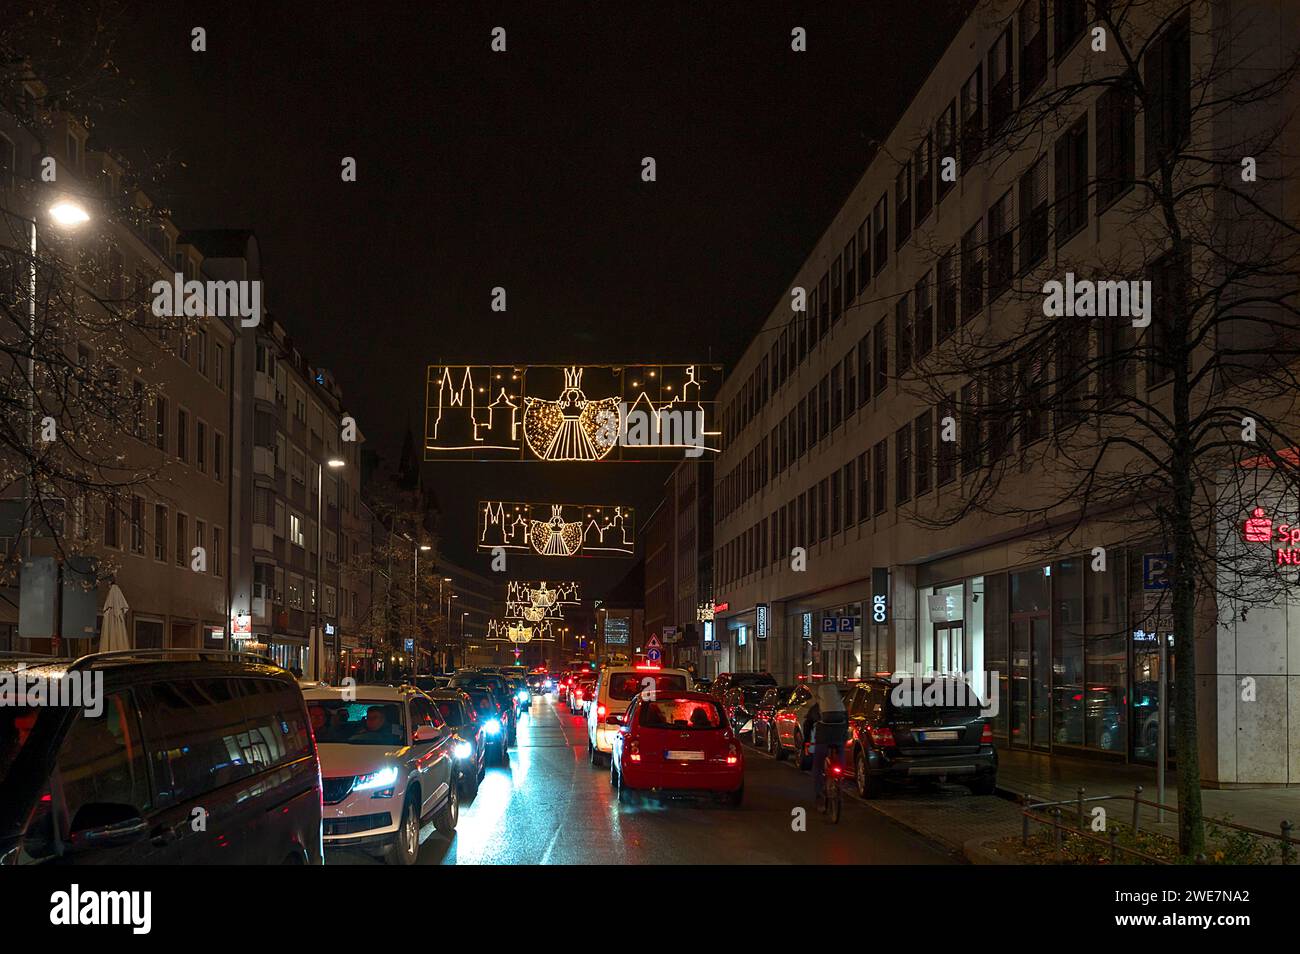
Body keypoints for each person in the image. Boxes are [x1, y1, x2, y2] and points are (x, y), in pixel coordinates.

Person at [803, 684, 848, 809]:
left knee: (817, 766)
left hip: (823, 740)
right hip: (839, 738)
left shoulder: (817, 708)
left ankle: (819, 795)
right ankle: (840, 778)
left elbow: (808, 724)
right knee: (841, 755)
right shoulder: (841, 707)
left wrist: (806, 741)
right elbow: (846, 724)